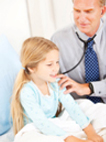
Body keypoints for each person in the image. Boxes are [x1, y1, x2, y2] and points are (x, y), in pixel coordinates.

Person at [11, 37, 103, 142]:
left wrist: (90, 132)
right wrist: (70, 139)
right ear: (31, 68)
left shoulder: (55, 84)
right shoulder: (27, 92)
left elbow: (72, 107)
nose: (56, 68)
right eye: (49, 64)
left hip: (54, 123)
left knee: (87, 106)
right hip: (35, 129)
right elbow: (41, 123)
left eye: (57, 62)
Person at [51, 0, 106, 103]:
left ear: (102, 11)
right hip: (78, 108)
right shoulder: (58, 40)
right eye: (77, 11)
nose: (81, 19)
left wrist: (88, 88)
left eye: (88, 11)